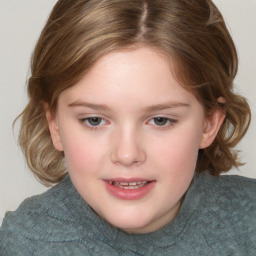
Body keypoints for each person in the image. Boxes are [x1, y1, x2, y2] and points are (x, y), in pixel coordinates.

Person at [0, 0, 255, 255]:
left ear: (209, 123)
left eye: (160, 120)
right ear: (54, 124)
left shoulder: (248, 221)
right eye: (94, 120)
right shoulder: (26, 243)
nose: (127, 154)